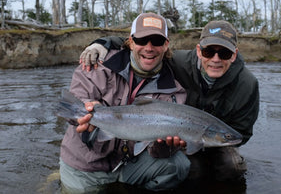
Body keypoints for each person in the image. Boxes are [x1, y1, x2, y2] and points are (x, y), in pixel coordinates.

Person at [79, 20, 260, 182]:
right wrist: (101, 44)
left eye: (225, 54)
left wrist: (211, 145)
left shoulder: (248, 84)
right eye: (208, 51)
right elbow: (145, 46)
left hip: (217, 138)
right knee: (189, 169)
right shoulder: (178, 61)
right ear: (198, 51)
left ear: (234, 55)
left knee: (232, 167)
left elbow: (241, 133)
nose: (215, 59)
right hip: (176, 133)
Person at [59, 12, 191, 193]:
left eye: (157, 41)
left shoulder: (174, 90)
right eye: (142, 40)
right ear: (131, 42)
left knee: (178, 165)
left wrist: (166, 147)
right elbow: (76, 97)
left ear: (166, 45)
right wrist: (88, 108)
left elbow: (156, 153)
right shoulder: (99, 63)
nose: (149, 47)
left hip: (130, 164)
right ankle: (59, 175)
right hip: (85, 164)